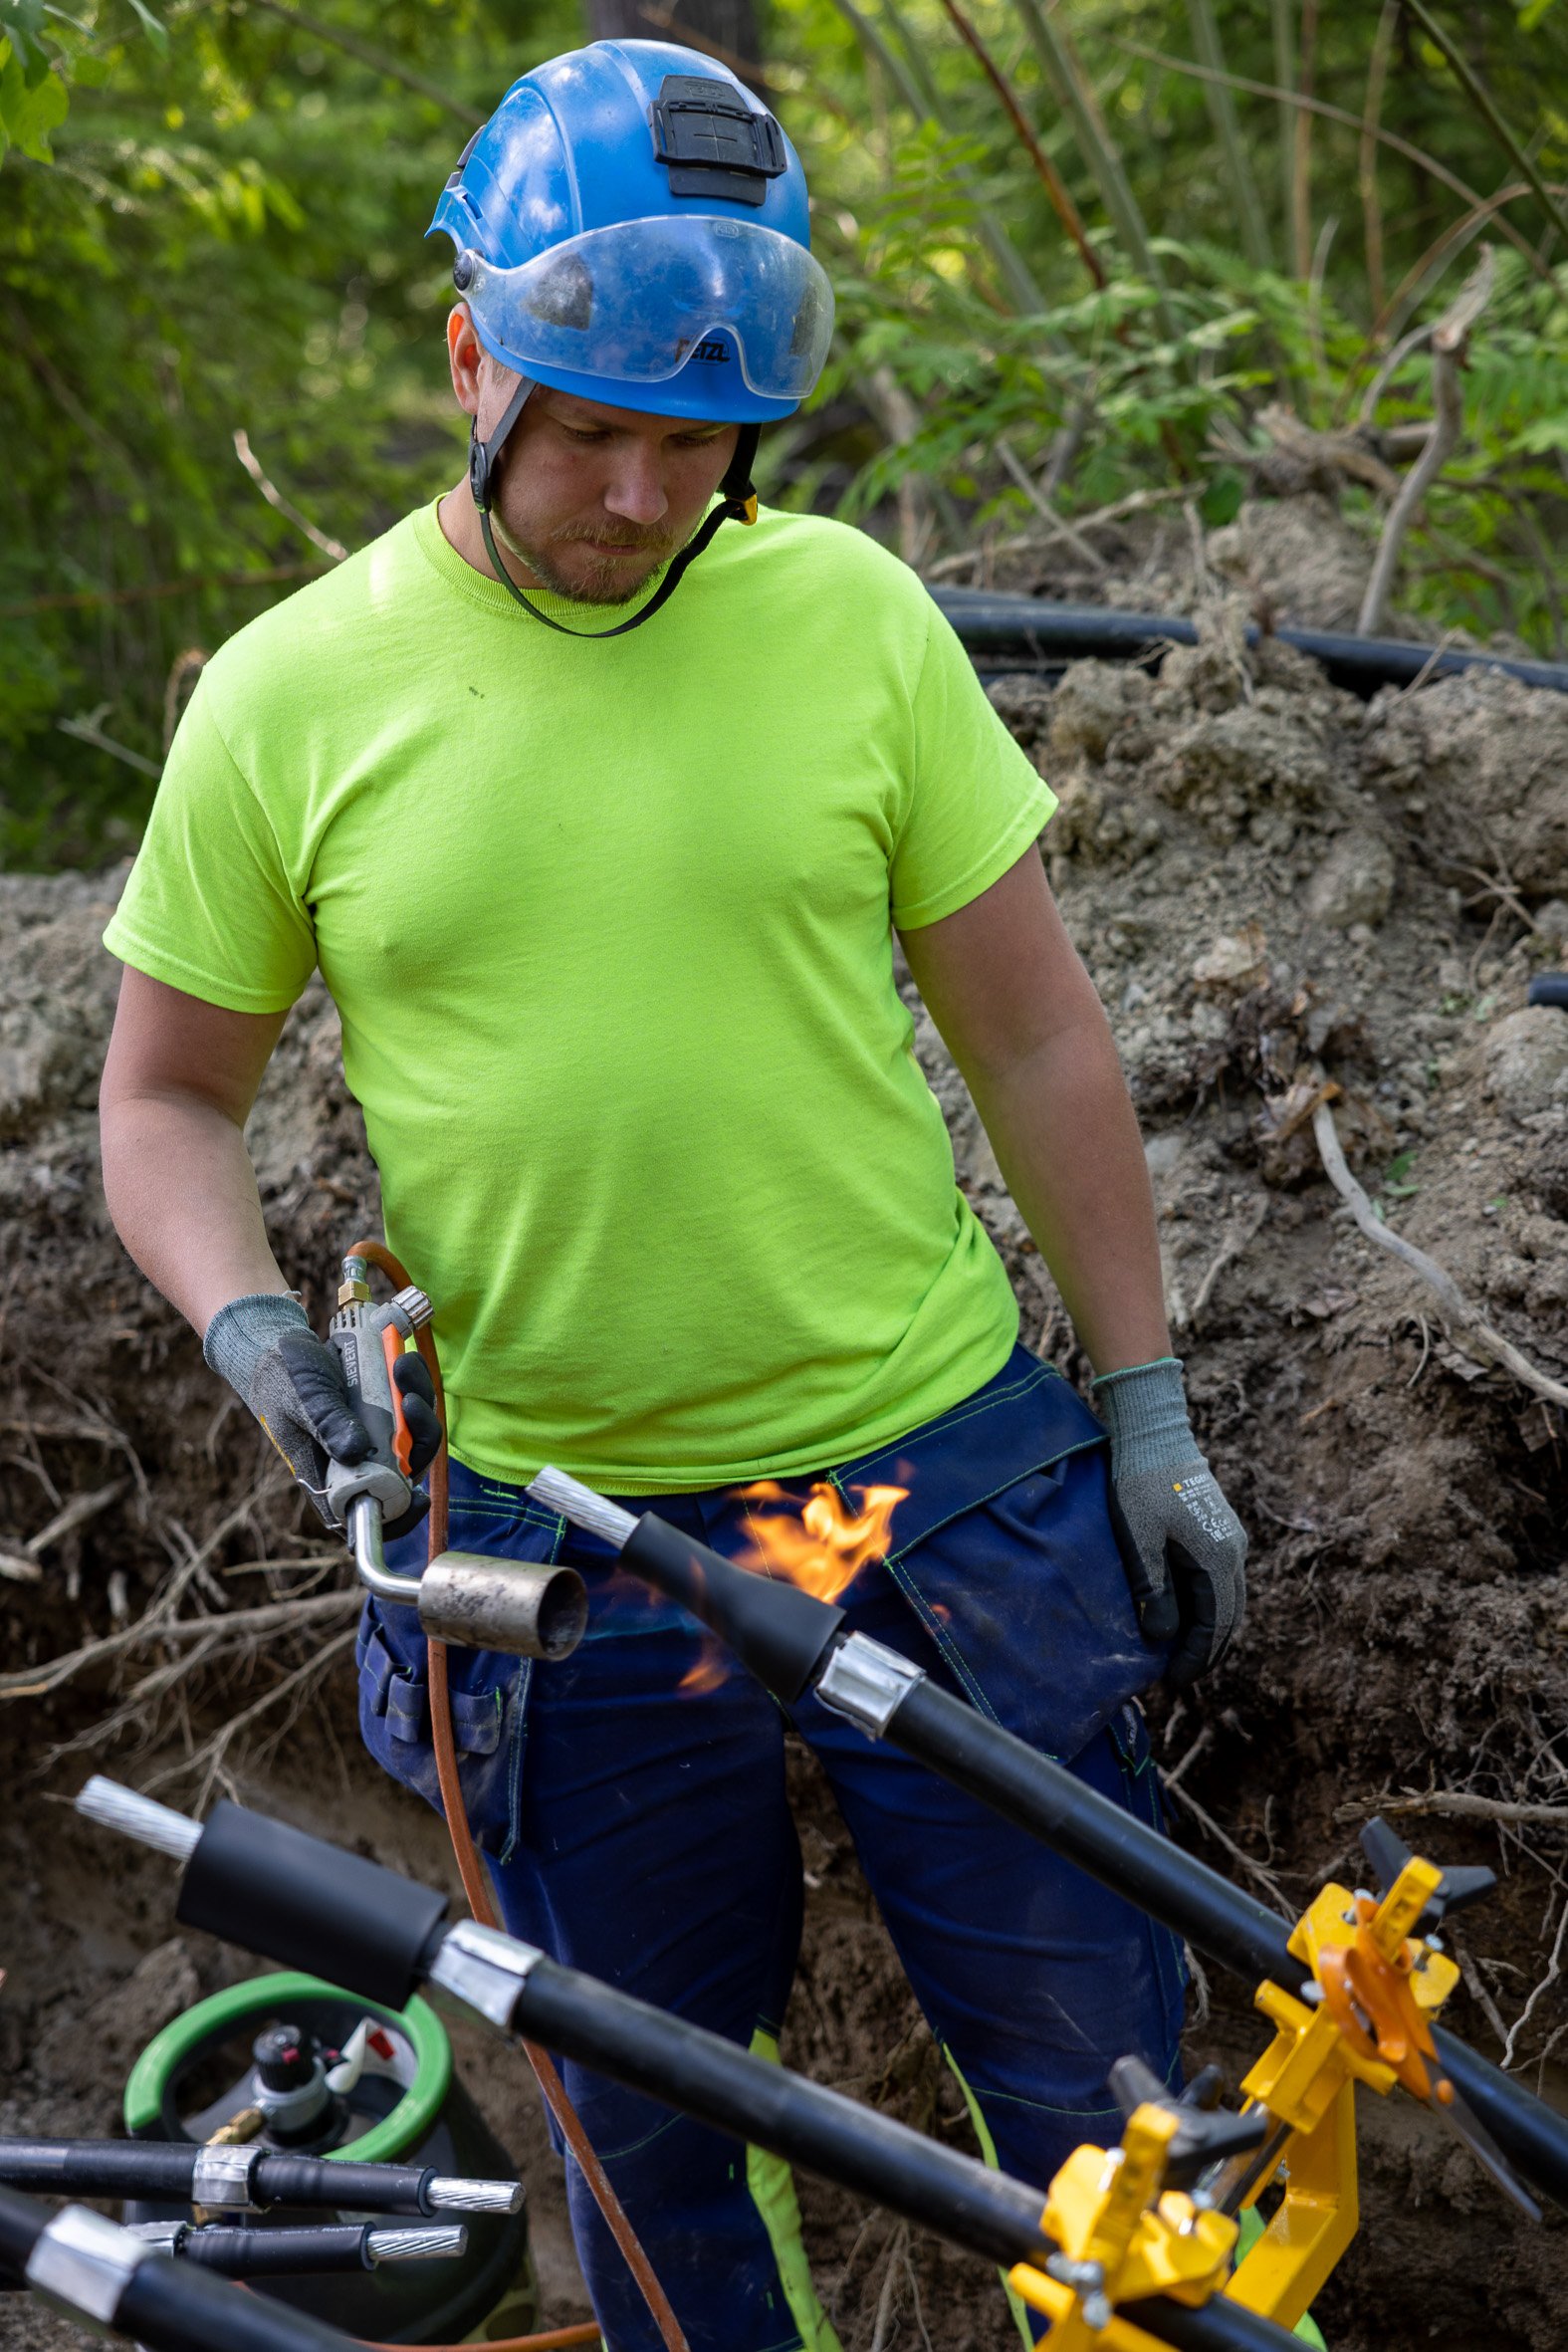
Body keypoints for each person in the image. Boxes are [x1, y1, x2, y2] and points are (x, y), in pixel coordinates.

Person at [98, 40, 1246, 2352]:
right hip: (557, 1552)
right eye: (589, 433)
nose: (638, 497)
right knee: (647, 2158)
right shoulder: (294, 695)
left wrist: (1138, 1403)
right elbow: (165, 1103)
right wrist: (251, 1330)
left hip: (941, 1499)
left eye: (692, 442)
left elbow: (1033, 1036)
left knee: (1119, 2139)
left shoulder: (850, 623)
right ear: (469, 360)